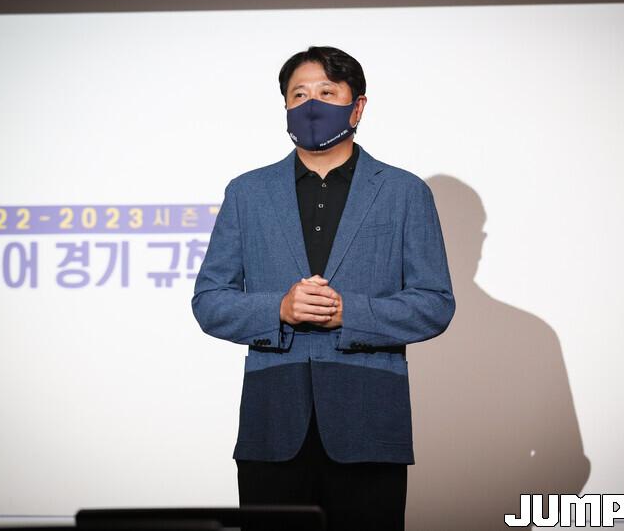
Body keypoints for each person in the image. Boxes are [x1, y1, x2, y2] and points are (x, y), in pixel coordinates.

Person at [191, 45, 455, 531]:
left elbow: (434, 304)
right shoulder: (247, 193)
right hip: (272, 425)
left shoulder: (403, 192)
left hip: (369, 423)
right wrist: (279, 308)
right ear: (285, 107)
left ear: (358, 106)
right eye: (299, 95)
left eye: (327, 93)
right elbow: (210, 301)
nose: (311, 105)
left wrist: (349, 314)